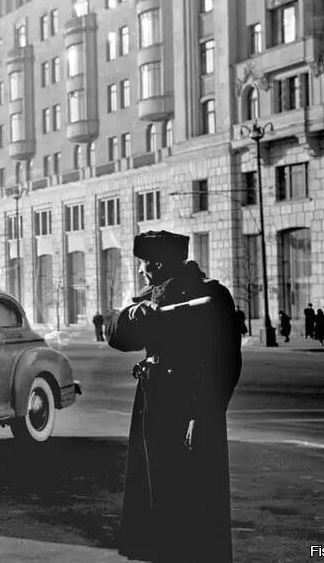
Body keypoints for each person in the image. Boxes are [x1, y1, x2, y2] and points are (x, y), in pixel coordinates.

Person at [107, 230, 241, 563]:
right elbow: (119, 339)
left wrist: (202, 414)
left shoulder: (211, 295)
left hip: (189, 409)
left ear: (158, 263)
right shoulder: (150, 298)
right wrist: (130, 315)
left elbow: (224, 362)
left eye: (143, 263)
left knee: (191, 498)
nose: (140, 270)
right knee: (156, 493)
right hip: (153, 405)